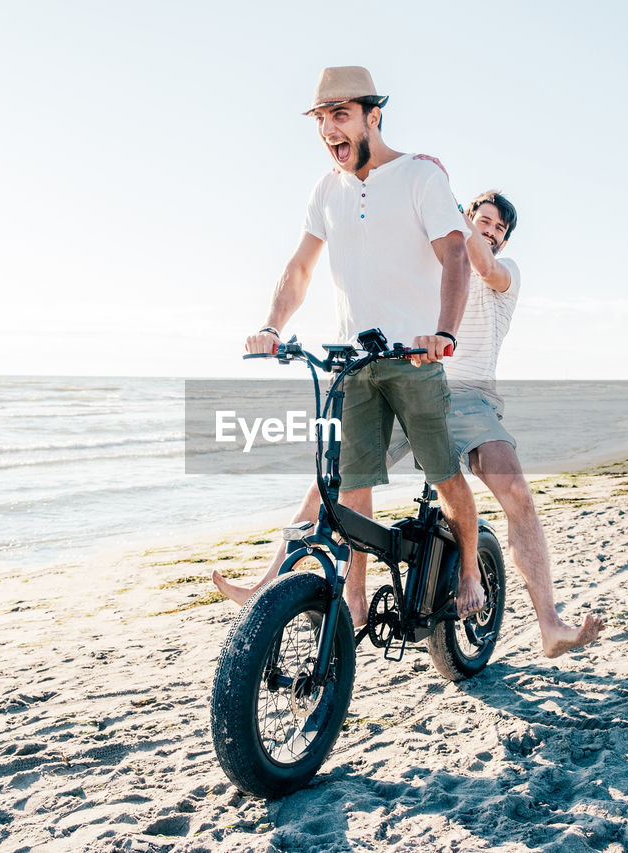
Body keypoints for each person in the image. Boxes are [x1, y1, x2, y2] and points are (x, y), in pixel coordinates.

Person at [219, 189, 606, 658]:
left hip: (470, 398)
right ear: (467, 218)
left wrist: (448, 202)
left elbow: (481, 263)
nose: (489, 229)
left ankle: (550, 625)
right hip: (416, 385)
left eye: (498, 227)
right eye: (482, 219)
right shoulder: (433, 266)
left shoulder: (504, 275)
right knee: (336, 479)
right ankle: (277, 587)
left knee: (517, 491)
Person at [243, 66, 484, 628]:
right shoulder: (326, 190)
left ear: (373, 117)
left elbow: (454, 255)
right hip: (352, 364)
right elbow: (300, 268)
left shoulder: (420, 176)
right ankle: (352, 597)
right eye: (322, 119)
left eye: (341, 115)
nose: (330, 129)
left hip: (415, 359)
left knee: (444, 474)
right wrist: (273, 326)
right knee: (350, 485)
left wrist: (444, 332)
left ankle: (470, 566)